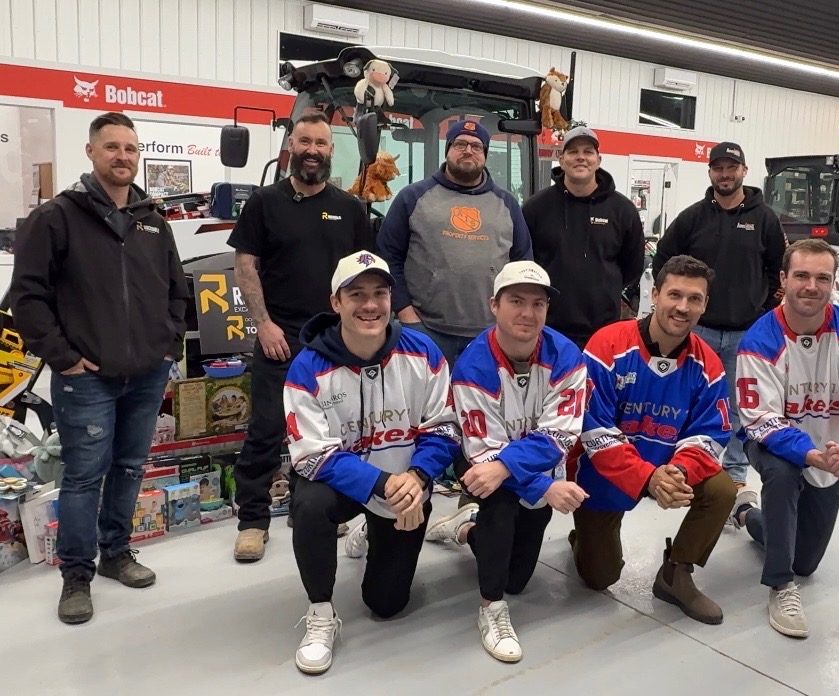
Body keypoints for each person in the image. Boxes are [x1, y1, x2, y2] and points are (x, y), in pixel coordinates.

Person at [10, 112, 188, 624]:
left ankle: (116, 553)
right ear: (91, 152)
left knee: (130, 468)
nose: (123, 156)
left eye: (131, 148)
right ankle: (75, 575)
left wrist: (168, 344)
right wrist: (64, 358)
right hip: (85, 377)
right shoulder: (57, 217)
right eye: (111, 147)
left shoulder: (153, 221)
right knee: (85, 476)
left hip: (148, 372)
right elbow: (27, 299)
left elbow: (178, 290)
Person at [283, 250, 460, 675]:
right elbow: (311, 454)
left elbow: (446, 428)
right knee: (309, 504)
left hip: (404, 490)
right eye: (356, 294)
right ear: (336, 303)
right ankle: (320, 613)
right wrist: (384, 483)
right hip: (348, 488)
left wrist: (418, 478)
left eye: (380, 293)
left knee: (387, 605)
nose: (370, 304)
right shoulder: (307, 368)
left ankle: (370, 527)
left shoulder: (424, 353)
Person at [422, 260, 588, 662]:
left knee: (518, 577)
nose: (527, 313)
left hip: (529, 469)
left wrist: (523, 474)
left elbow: (560, 434)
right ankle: (490, 608)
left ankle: (464, 530)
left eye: (538, 303)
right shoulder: (472, 366)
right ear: (494, 305)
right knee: (495, 502)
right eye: (516, 301)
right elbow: (482, 452)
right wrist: (543, 487)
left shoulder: (567, 356)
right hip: (483, 464)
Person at [228, 113, 373, 562]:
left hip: (334, 340)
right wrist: (263, 323)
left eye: (322, 144)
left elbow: (363, 273)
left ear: (332, 151)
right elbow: (246, 266)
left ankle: (310, 509)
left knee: (332, 430)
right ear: (292, 146)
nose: (313, 150)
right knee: (269, 429)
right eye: (305, 142)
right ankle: (252, 520)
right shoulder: (264, 203)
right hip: (282, 336)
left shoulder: (350, 209)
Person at [733, 239, 839, 639]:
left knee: (807, 560)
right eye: (801, 275)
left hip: (833, 448)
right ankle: (779, 585)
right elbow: (762, 420)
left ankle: (744, 514)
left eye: (822, 277)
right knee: (784, 473)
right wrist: (810, 455)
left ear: (833, 283)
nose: (811, 286)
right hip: (773, 443)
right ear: (783, 279)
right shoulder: (759, 339)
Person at [573, 255, 737, 625]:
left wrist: (678, 470)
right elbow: (591, 427)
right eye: (674, 295)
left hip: (667, 468)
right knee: (600, 578)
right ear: (654, 293)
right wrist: (646, 477)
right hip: (606, 476)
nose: (683, 307)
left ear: (705, 305)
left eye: (694, 299)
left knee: (723, 490)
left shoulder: (708, 364)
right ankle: (583, 539)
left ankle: (675, 574)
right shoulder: (608, 344)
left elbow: (710, 434)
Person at [652, 142, 787, 506]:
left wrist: (761, 311)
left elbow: (779, 271)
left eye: (732, 167)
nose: (724, 175)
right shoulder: (693, 217)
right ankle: (672, 469)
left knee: (737, 406)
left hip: (745, 332)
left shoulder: (765, 219)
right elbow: (663, 259)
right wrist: (676, 302)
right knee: (681, 399)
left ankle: (734, 475)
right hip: (696, 331)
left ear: (744, 170)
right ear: (710, 172)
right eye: (718, 168)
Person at [377, 119, 533, 367]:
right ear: (448, 150)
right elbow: (388, 257)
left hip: (490, 334)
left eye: (476, 146)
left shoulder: (507, 204)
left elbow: (523, 264)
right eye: (460, 144)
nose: (468, 151)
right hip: (426, 331)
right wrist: (406, 313)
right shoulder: (413, 197)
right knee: (425, 405)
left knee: (482, 404)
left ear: (485, 155)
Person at [522, 126, 644, 348]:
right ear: (561, 158)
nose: (581, 157)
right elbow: (523, 261)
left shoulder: (622, 210)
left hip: (603, 332)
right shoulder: (536, 207)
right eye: (573, 151)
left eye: (588, 152)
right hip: (547, 329)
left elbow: (632, 267)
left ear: (598, 160)